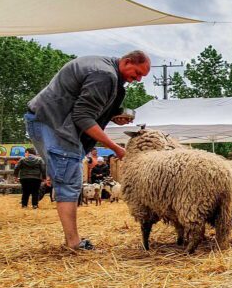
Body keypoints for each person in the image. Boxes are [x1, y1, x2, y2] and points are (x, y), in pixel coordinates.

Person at [24, 50, 151, 249]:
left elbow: (82, 104)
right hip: (54, 123)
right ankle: (73, 243)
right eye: (137, 73)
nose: (137, 79)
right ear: (126, 62)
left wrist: (111, 115)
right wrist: (116, 148)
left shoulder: (103, 67)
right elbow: (82, 116)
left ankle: (72, 240)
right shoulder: (105, 74)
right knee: (69, 181)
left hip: (49, 119)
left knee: (70, 179)